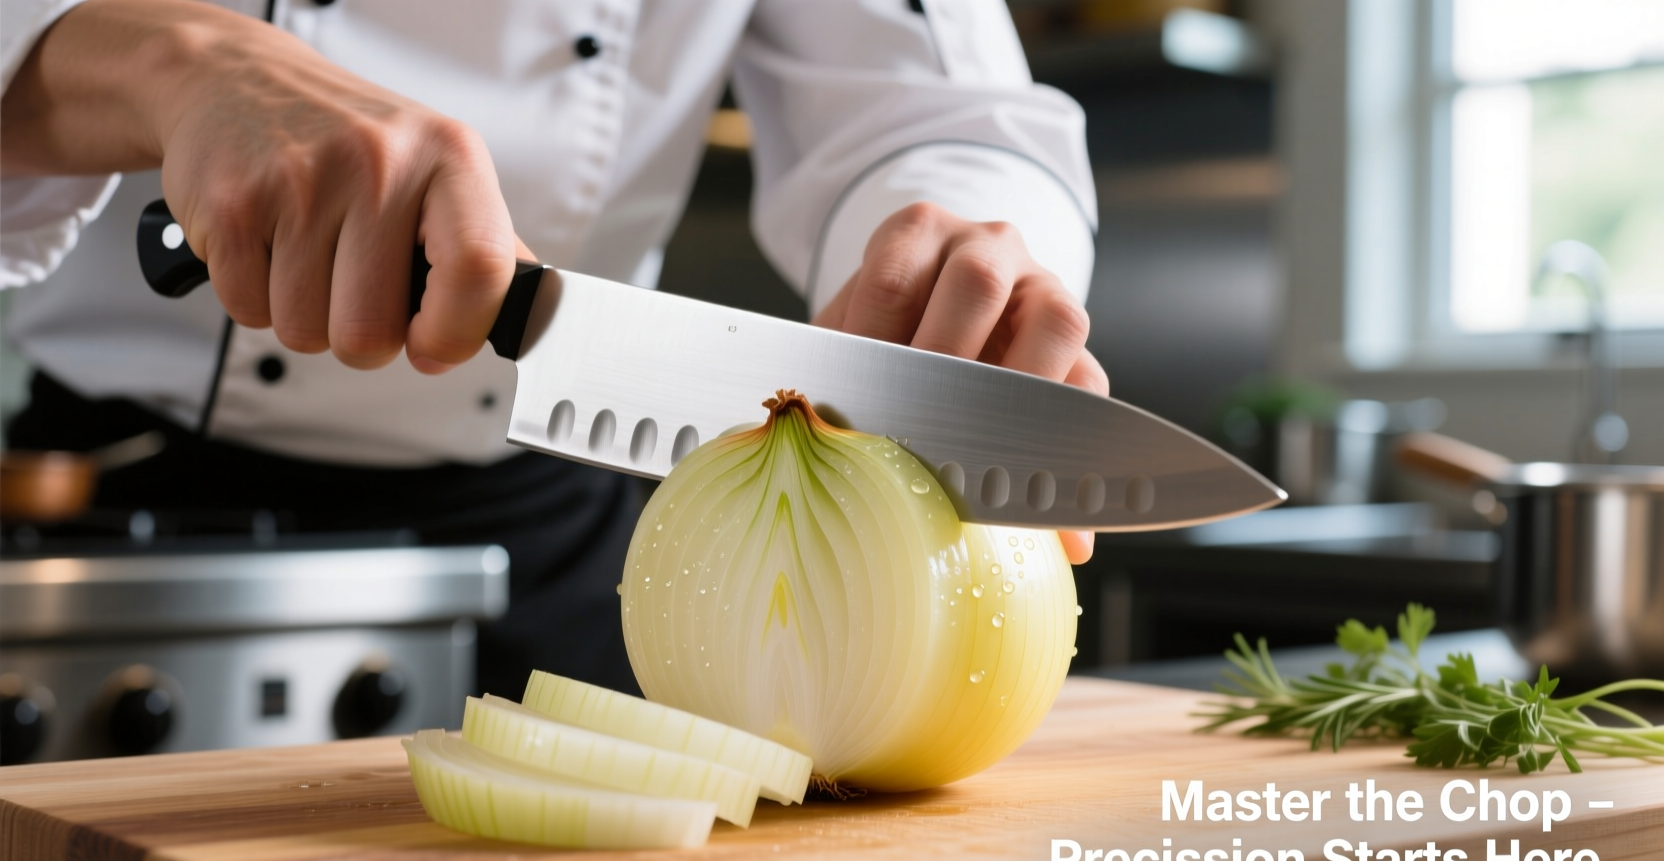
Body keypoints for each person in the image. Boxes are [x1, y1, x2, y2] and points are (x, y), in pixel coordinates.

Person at [0, 0, 1106, 698]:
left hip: (550, 559)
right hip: (107, 518)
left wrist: (955, 252)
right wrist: (165, 56)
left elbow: (934, 98)